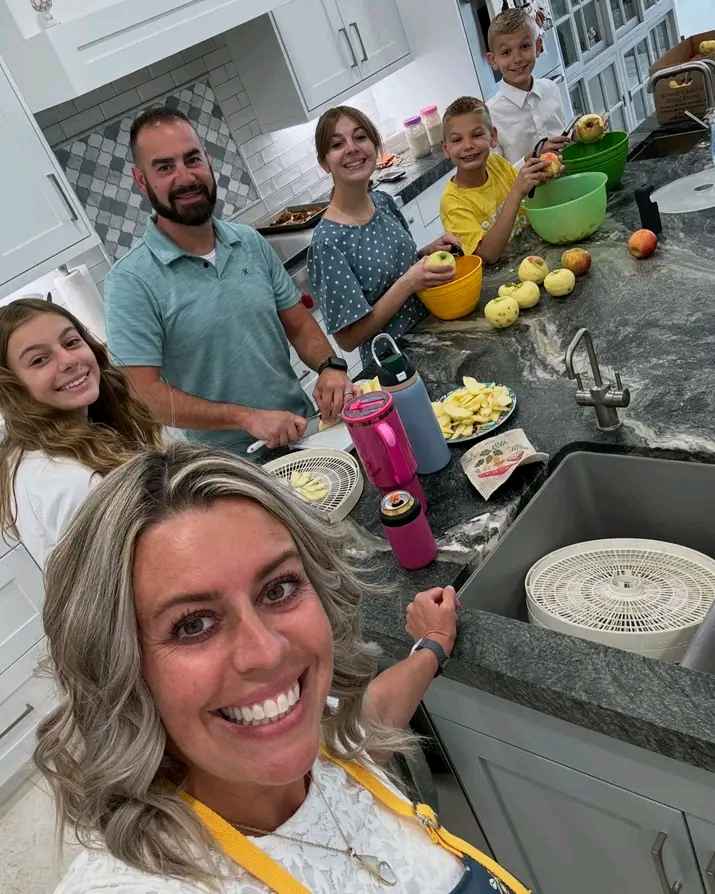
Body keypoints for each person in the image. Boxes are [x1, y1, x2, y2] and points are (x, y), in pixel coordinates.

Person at [37, 443, 529, 894]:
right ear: (116, 667)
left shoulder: (311, 738)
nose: (267, 653)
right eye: (192, 625)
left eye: (278, 589)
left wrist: (432, 648)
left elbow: (363, 728)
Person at [104, 107, 353, 455]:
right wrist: (245, 417)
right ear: (141, 180)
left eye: (192, 159)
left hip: (303, 432)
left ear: (207, 161)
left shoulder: (248, 241)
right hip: (226, 468)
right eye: (164, 167)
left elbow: (298, 325)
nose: (185, 176)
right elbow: (145, 396)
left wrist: (330, 367)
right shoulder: (130, 282)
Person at [0, 297, 160, 567]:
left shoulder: (25, 455)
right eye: (39, 360)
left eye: (71, 342)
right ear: (11, 385)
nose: (68, 360)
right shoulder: (74, 480)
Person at [308, 106, 459, 368]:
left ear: (375, 145)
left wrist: (426, 254)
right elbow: (348, 338)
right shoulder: (327, 243)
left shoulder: (383, 202)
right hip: (396, 364)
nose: (352, 148)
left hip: (438, 336)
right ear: (324, 163)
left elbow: (399, 269)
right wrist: (409, 282)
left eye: (360, 137)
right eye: (337, 144)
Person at [439, 96, 550, 262]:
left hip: (530, 255)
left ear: (493, 137)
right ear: (446, 149)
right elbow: (487, 255)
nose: (468, 145)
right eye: (457, 140)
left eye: (476, 135)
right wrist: (517, 192)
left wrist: (540, 176)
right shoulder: (453, 203)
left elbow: (525, 200)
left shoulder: (495, 162)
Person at [485, 8, 569, 168]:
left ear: (538, 46)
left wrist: (575, 137)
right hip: (528, 193)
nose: (517, 59)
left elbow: (561, 141)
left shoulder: (550, 89)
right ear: (492, 60)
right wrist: (535, 155)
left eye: (524, 46)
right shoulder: (489, 116)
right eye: (506, 52)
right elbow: (499, 180)